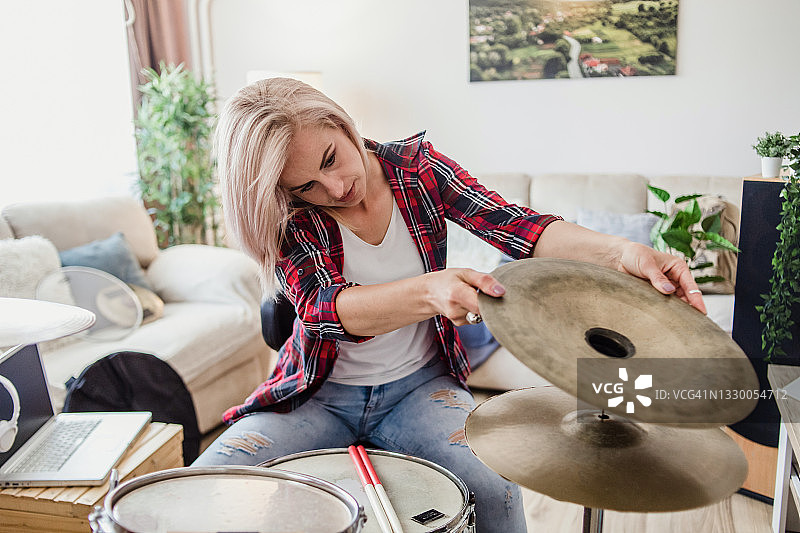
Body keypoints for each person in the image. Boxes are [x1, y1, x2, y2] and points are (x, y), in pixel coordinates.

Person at [193, 77, 706, 532]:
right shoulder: (290, 215)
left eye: (330, 159)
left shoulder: (417, 169)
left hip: (420, 390)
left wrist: (620, 252)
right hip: (314, 397)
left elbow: (516, 226)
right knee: (202, 487)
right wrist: (430, 291)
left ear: (341, 123)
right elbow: (323, 310)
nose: (335, 187)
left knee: (496, 486)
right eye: (307, 184)